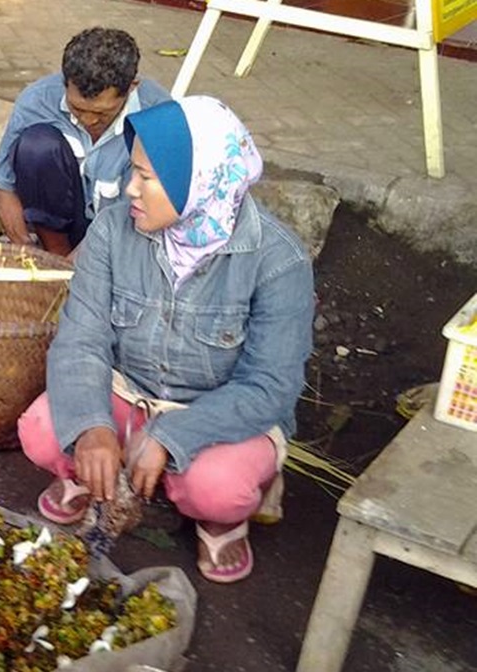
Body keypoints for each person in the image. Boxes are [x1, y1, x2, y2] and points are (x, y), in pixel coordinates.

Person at [17, 96, 314, 584]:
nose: (131, 189)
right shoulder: (114, 230)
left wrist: (171, 437)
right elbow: (81, 339)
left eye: (147, 179)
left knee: (217, 488)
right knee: (45, 429)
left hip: (211, 416)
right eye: (133, 172)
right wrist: (93, 426)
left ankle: (222, 519)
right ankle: (90, 474)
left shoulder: (278, 262)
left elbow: (270, 386)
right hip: (128, 393)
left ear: (198, 184)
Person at [0, 27, 170, 256]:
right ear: (65, 82)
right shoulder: (36, 101)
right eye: (77, 108)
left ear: (132, 87)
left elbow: (144, 211)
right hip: (65, 229)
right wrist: (26, 250)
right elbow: (2, 183)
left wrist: (79, 268)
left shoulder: (158, 114)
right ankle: (56, 254)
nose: (88, 120)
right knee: (36, 146)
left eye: (102, 113)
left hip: (127, 229)